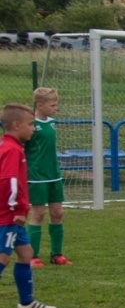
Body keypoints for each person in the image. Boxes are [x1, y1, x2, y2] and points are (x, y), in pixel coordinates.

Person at [1, 103, 55, 308]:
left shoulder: (9, 146)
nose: (33, 128)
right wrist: (18, 210)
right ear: (16, 125)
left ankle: (26, 303)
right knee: (3, 258)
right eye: (30, 124)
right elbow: (9, 181)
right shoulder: (12, 150)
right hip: (7, 215)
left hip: (9, 213)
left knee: (26, 252)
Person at [24, 87, 70, 267]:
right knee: (38, 214)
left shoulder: (51, 122)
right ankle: (32, 256)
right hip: (36, 177)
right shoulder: (30, 125)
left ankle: (56, 254)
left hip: (54, 176)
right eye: (52, 104)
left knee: (57, 213)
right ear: (39, 105)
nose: (55, 108)